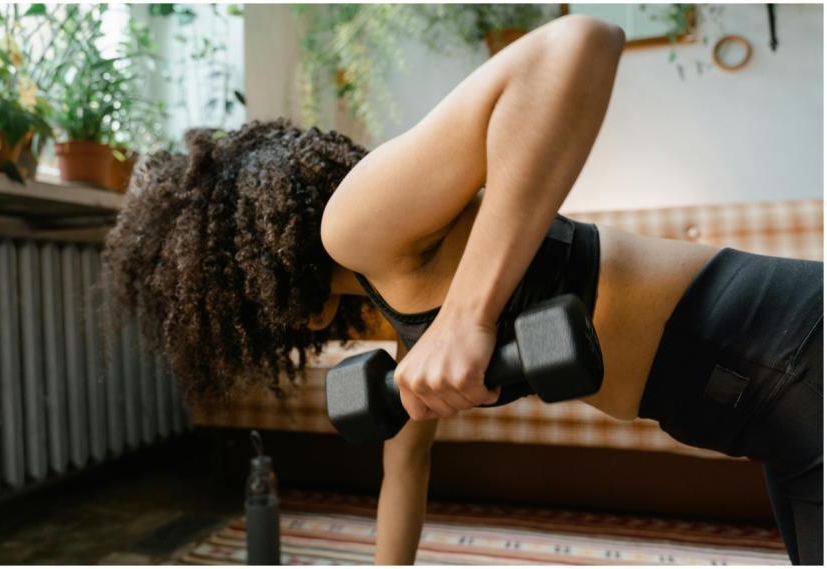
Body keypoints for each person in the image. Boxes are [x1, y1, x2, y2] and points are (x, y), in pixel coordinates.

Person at [102, 14, 823, 565]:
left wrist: (469, 319)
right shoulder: (390, 297)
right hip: (760, 410)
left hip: (787, 350)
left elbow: (579, 43)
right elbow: (404, 467)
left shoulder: (353, 225)